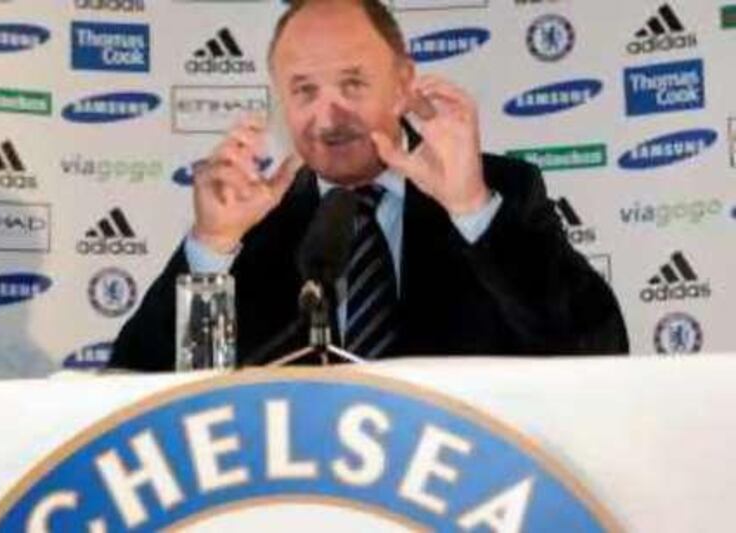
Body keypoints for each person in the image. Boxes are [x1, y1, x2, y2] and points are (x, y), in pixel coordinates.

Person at [109, 0, 628, 371]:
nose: (327, 115)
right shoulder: (252, 223)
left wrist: (471, 207)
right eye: (304, 90)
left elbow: (596, 352)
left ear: (404, 83)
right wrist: (212, 249)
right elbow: (138, 384)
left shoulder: (498, 193)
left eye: (352, 84)